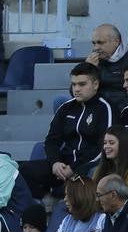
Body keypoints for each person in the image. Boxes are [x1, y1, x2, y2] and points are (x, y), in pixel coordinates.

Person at [21, 62, 115, 198]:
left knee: (90, 174)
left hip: (87, 166)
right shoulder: (66, 108)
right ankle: (42, 206)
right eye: (74, 84)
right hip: (63, 165)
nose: (76, 89)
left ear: (95, 85)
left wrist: (74, 168)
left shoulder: (106, 108)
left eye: (82, 84)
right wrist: (55, 163)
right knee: (24, 171)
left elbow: (103, 148)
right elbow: (51, 141)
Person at [91, 125, 128, 201]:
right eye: (105, 143)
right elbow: (90, 191)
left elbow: (123, 197)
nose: (106, 146)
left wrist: (98, 198)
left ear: (123, 145)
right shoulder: (103, 166)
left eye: (111, 143)